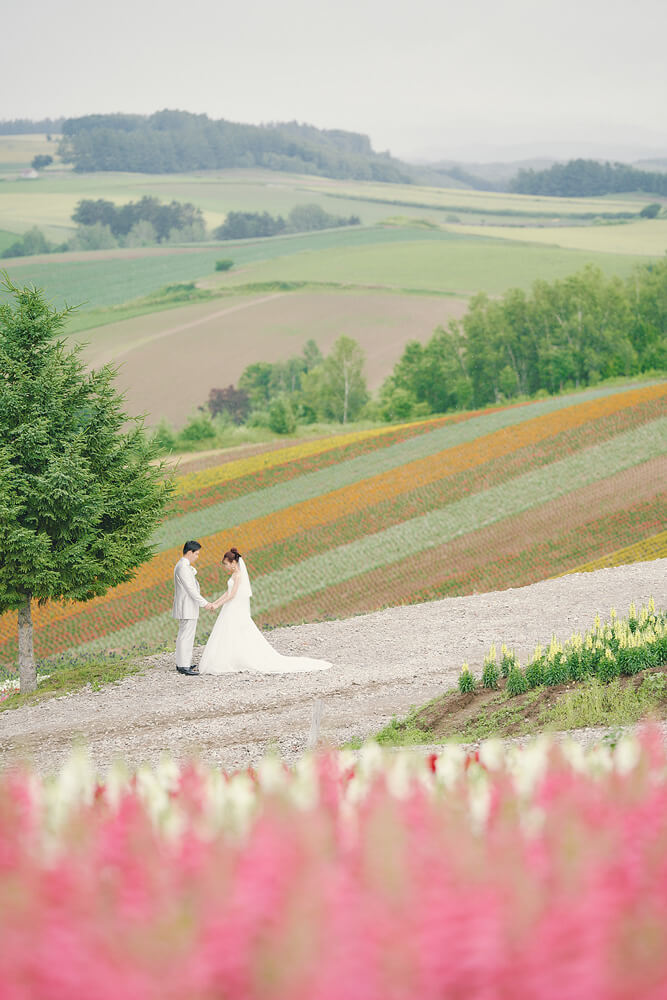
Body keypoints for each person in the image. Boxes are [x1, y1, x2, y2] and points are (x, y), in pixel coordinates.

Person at [199, 547, 332, 674]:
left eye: (226, 564)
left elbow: (232, 595)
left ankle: (234, 657)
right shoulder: (234, 575)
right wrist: (215, 603)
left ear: (233, 563)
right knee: (230, 631)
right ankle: (231, 656)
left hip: (233, 606)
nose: (225, 567)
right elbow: (227, 593)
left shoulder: (238, 576)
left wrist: (217, 605)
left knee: (234, 630)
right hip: (230, 606)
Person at [172, 540, 214, 676]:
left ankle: (182, 663)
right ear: (189, 552)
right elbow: (191, 589)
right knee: (186, 636)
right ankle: (183, 665)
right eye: (196, 554)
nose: (197, 556)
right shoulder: (183, 567)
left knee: (184, 635)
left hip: (187, 606)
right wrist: (205, 603)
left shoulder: (183, 565)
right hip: (187, 606)